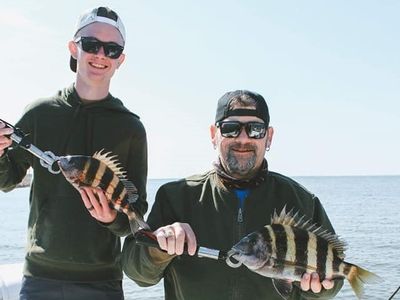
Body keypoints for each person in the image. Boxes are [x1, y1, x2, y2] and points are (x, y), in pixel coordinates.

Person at [121, 90, 344, 299]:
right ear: (213, 134)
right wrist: (159, 251)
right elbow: (136, 272)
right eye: (230, 128)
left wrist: (319, 289)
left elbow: (333, 277)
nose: (243, 139)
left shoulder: (301, 200)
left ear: (269, 137)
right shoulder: (176, 197)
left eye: (255, 129)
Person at [0, 6, 147, 300]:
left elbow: (135, 212)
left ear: (121, 59)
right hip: (40, 277)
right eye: (91, 45)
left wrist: (111, 220)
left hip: (102, 281)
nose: (100, 55)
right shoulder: (39, 113)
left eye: (112, 49)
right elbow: (7, 180)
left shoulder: (131, 127)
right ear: (73, 48)